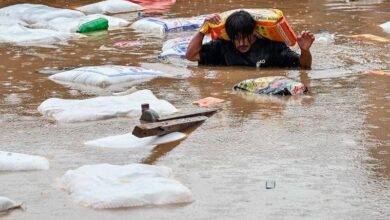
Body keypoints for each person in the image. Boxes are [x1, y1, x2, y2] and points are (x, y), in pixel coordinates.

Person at [186, 10, 315, 69]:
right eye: (236, 39)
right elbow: (191, 55)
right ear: (230, 37)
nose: (241, 43)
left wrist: (305, 51)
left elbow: (304, 66)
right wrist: (203, 30)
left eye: (245, 37)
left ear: (254, 31)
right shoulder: (223, 46)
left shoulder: (272, 47)